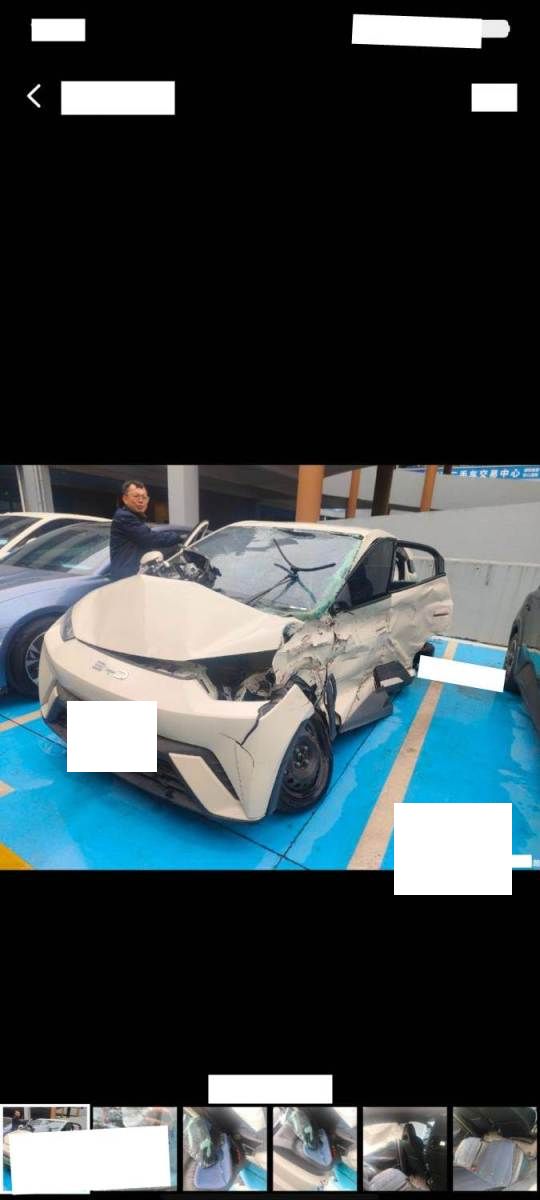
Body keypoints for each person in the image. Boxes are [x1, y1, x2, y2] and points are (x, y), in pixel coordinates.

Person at [109, 480, 182, 581]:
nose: (141, 501)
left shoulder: (133, 518)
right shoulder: (125, 517)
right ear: (125, 499)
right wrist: (178, 537)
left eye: (144, 497)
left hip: (132, 578)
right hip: (127, 580)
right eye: (136, 496)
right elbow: (149, 539)